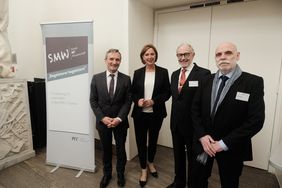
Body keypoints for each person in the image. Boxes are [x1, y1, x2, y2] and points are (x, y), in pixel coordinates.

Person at [191, 42, 265, 188]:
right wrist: (202, 135)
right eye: (218, 54)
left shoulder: (252, 82)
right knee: (198, 179)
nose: (223, 57)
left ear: (237, 56)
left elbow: (256, 120)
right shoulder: (206, 80)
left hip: (232, 147)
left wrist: (223, 144)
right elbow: (195, 109)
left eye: (228, 53)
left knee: (229, 182)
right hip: (204, 144)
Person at [167, 43, 210, 188]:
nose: (183, 57)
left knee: (193, 159)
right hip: (176, 125)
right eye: (180, 55)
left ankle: (192, 184)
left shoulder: (204, 74)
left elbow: (204, 102)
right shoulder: (174, 75)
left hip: (193, 127)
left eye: (186, 54)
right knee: (178, 156)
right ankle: (179, 182)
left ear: (193, 55)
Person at [90, 49, 132, 188]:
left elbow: (128, 101)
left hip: (120, 122)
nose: (114, 62)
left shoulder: (126, 79)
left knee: (120, 150)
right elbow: (93, 101)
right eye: (111, 59)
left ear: (120, 61)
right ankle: (107, 174)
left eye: (117, 59)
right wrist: (102, 118)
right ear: (106, 60)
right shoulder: (96, 78)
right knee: (106, 150)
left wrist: (119, 118)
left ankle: (120, 174)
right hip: (103, 123)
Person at [131, 44, 170, 187]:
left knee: (153, 140)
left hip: (156, 114)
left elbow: (167, 93)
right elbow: (133, 92)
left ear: (155, 56)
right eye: (146, 54)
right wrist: (138, 101)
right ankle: (143, 169)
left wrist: (154, 101)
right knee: (141, 142)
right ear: (142, 57)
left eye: (152, 54)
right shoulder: (138, 72)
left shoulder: (163, 72)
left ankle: (151, 162)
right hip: (140, 115)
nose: (149, 57)